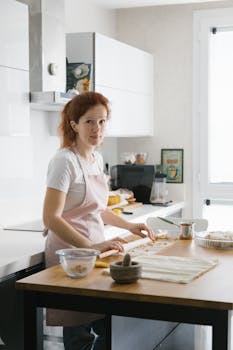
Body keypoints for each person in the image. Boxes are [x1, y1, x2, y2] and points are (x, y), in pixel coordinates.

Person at [43, 91, 155, 350]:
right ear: (74, 125)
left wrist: (129, 226)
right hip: (70, 256)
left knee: (109, 326)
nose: (97, 128)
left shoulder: (95, 159)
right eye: (89, 122)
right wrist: (88, 247)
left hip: (95, 252)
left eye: (102, 121)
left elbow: (98, 209)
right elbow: (51, 216)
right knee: (78, 334)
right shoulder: (64, 161)